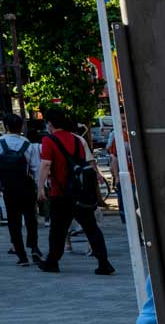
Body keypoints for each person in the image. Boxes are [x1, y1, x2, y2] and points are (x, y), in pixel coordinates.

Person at [37, 108, 113, 276]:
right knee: (91, 228)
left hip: (60, 192)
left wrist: (41, 187)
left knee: (57, 230)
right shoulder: (77, 140)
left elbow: (46, 164)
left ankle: (52, 262)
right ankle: (104, 262)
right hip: (80, 192)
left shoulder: (49, 141)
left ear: (50, 123)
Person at [0, 113, 42, 265]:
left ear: (6, 127)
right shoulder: (27, 143)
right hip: (26, 186)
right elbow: (34, 167)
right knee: (31, 218)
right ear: (21, 127)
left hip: (8, 187)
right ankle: (33, 247)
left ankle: (21, 254)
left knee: (13, 220)